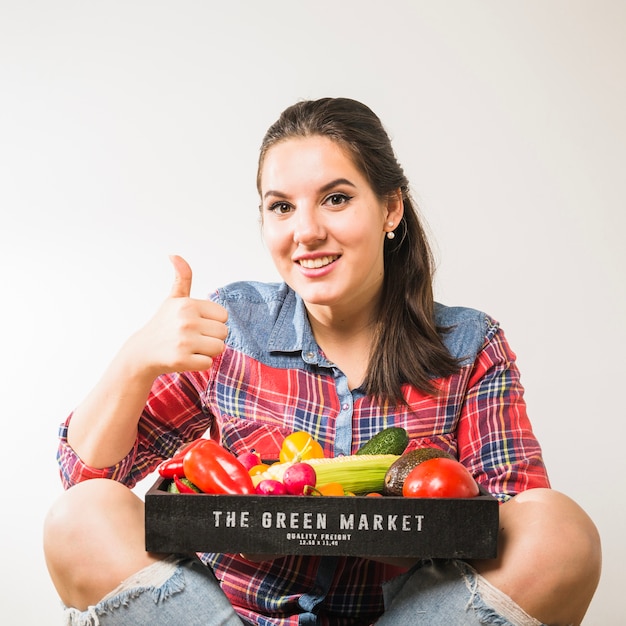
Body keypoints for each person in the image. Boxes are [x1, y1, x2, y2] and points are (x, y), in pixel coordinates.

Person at [44, 97, 601, 626]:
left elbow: (513, 514)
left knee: (558, 530)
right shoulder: (232, 324)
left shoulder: (469, 344)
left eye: (335, 198)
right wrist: (134, 361)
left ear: (391, 208)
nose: (306, 231)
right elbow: (90, 477)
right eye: (281, 206)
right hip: (232, 616)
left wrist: (387, 528)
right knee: (79, 519)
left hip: (408, 614)